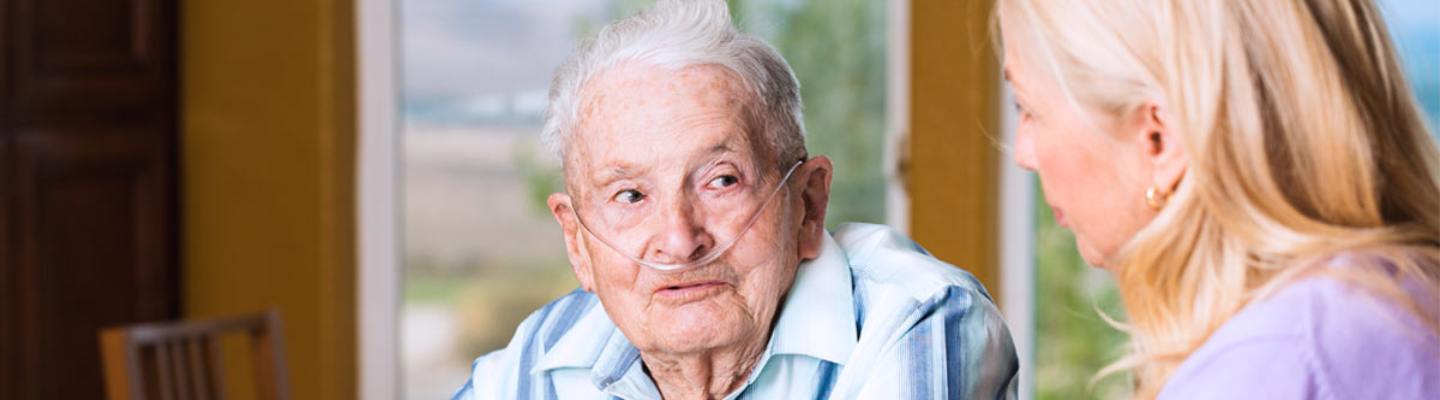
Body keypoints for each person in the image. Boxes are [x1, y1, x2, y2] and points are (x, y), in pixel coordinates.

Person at [452, 1, 1017, 399]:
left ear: (808, 203)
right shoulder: (540, 357)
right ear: (577, 241)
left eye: (721, 180)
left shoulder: (917, 319)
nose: (679, 239)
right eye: (630, 195)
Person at [994, 0, 1440, 398]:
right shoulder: (1390, 301)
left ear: (1159, 139)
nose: (1023, 154)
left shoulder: (1277, 361)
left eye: (1028, 108)